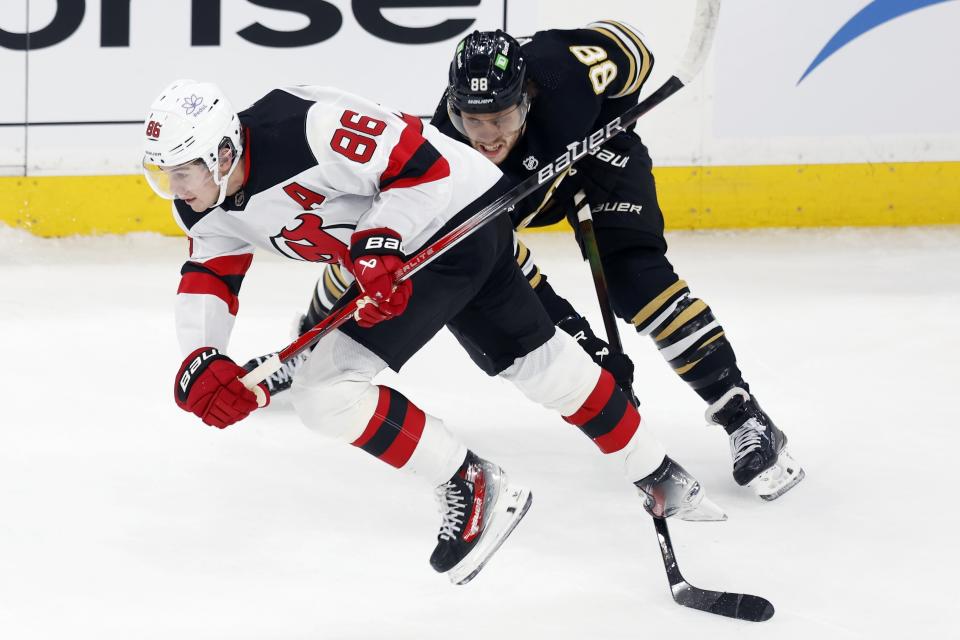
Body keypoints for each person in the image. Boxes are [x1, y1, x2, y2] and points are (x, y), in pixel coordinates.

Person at [143, 79, 725, 586]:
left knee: (325, 393)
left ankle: (470, 481)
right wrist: (201, 354)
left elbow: (424, 167)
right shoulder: (201, 204)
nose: (174, 188)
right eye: (161, 175)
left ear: (223, 153)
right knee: (540, 363)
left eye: (182, 171)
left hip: (449, 223)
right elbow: (209, 273)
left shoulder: (310, 129)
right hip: (440, 237)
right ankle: (660, 471)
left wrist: (379, 242)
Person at [265, 23, 805, 501]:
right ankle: (307, 346)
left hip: (601, 157)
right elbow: (506, 268)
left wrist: (605, 124)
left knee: (636, 280)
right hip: (523, 191)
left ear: (527, 99)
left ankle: (743, 413)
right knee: (379, 247)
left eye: (500, 117)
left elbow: (632, 50)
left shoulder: (563, 71)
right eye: (472, 120)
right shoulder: (453, 153)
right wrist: (584, 347)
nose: (487, 135)